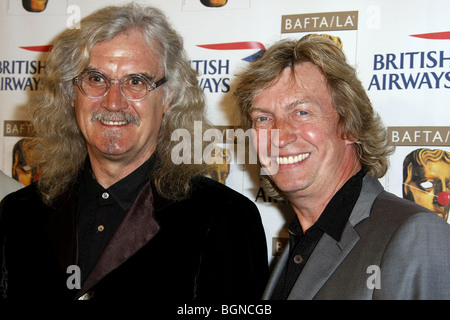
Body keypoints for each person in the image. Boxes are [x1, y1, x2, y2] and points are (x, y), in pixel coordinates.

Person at [0, 3, 268, 302]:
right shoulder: (18, 214)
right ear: (70, 93)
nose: (113, 103)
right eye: (96, 79)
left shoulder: (223, 219)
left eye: (136, 82)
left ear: (169, 97)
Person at [234, 34, 450, 299]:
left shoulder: (415, 236)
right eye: (263, 118)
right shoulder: (301, 239)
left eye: (301, 112)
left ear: (350, 126)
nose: (279, 135)